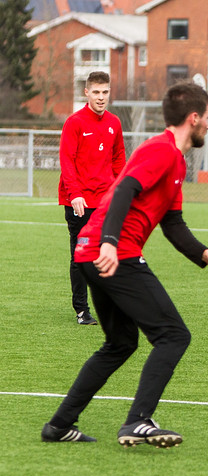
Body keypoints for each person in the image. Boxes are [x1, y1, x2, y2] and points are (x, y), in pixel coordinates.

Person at [41, 82, 208, 447]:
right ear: (193, 119)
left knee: (121, 343)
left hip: (91, 252)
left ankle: (59, 425)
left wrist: (206, 255)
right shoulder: (162, 152)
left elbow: (172, 224)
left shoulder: (173, 159)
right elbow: (125, 188)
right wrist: (110, 243)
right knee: (174, 336)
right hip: (113, 252)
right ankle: (137, 422)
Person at [58, 71, 126, 325]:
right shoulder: (74, 122)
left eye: (105, 92)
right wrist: (74, 194)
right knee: (80, 255)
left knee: (108, 252)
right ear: (86, 93)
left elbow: (119, 159)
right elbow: (67, 160)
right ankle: (81, 310)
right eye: (96, 92)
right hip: (78, 202)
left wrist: (123, 191)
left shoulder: (114, 123)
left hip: (106, 201)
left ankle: (109, 305)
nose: (101, 97)